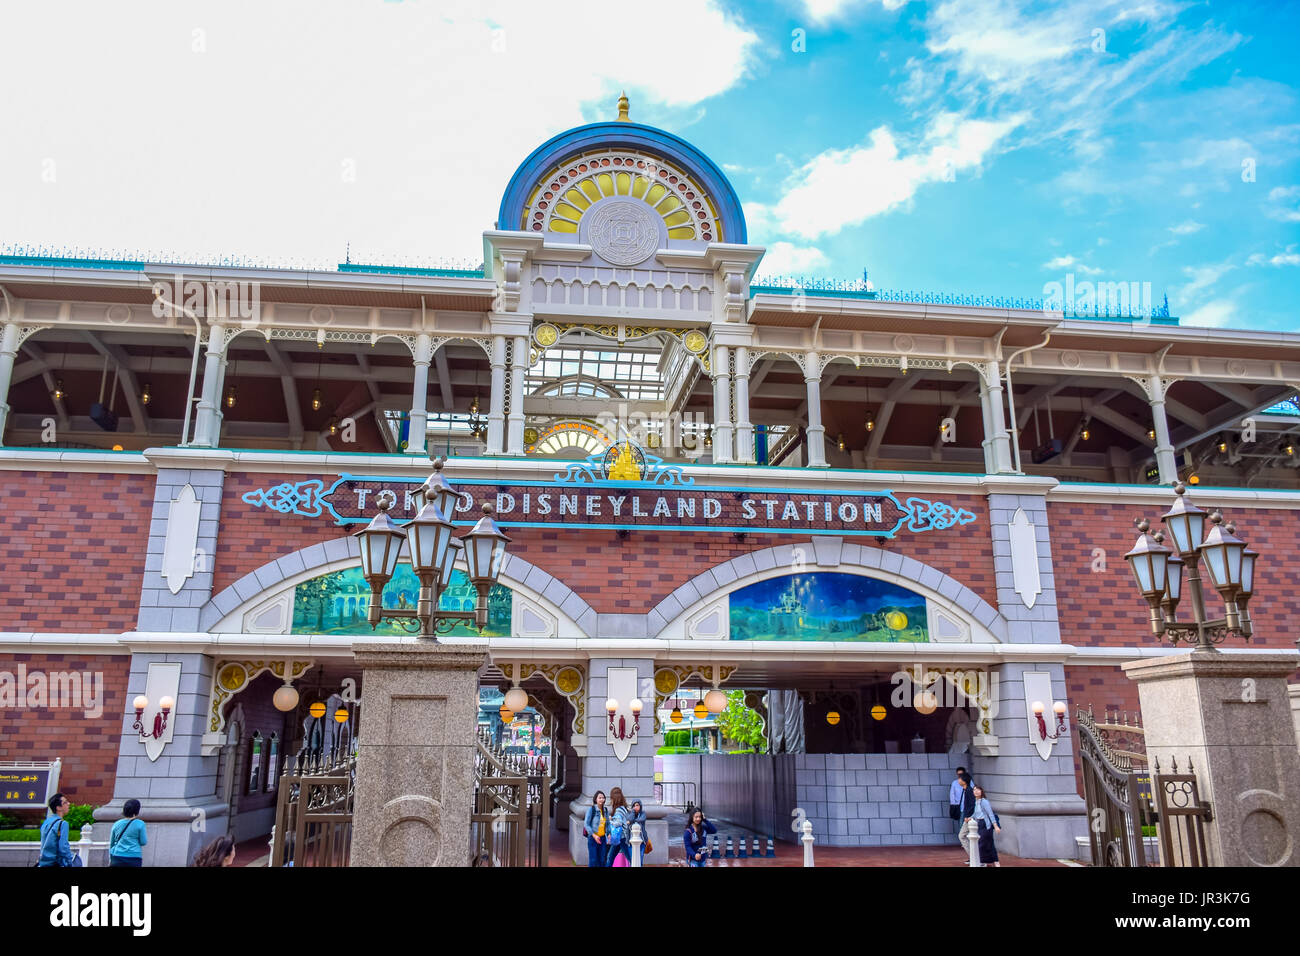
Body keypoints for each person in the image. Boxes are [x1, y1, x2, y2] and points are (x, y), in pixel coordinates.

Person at [37, 793, 76, 868]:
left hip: (43, 862)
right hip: (55, 863)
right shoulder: (62, 824)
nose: (69, 804)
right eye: (65, 802)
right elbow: (63, 847)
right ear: (58, 807)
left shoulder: (46, 822)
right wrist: (69, 862)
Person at [109, 799, 148, 867]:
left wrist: (110, 858)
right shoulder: (140, 824)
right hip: (134, 857)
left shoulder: (117, 824)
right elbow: (143, 842)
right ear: (137, 810)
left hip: (117, 856)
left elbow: (112, 843)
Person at [972, 784, 1001, 867]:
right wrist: (970, 818)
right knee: (990, 844)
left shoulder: (984, 801)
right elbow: (976, 814)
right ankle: (996, 861)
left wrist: (995, 826)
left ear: (981, 791)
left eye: (978, 790)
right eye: (974, 790)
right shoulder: (976, 802)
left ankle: (983, 861)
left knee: (982, 843)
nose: (976, 791)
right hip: (980, 824)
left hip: (986, 824)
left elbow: (990, 814)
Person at [582, 790, 610, 867]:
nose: (601, 799)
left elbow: (607, 824)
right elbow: (586, 824)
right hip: (593, 838)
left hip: (602, 838)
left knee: (602, 860)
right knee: (593, 860)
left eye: (603, 798)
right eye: (599, 798)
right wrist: (594, 835)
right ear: (595, 799)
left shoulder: (605, 810)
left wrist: (609, 834)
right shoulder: (591, 810)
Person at [617, 798, 649, 864]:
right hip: (630, 841)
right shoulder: (629, 814)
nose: (635, 807)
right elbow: (629, 818)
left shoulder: (643, 813)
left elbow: (641, 819)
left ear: (640, 806)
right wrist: (633, 812)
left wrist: (632, 821)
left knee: (640, 859)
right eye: (634, 806)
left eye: (637, 805)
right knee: (633, 860)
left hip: (642, 841)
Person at [606, 787, 630, 866]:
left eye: (611, 798)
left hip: (621, 837)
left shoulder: (618, 810)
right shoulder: (623, 808)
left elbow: (618, 823)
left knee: (630, 858)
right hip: (621, 837)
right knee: (610, 857)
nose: (610, 800)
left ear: (614, 799)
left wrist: (610, 820)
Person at [956, 771, 976, 857]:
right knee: (966, 836)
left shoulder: (969, 791)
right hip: (967, 817)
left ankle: (974, 856)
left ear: (964, 781)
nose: (958, 780)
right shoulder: (966, 790)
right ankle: (973, 856)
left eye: (959, 778)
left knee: (962, 836)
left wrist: (968, 816)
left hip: (969, 818)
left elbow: (971, 805)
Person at [948, 766, 968, 845]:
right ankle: (964, 841)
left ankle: (965, 841)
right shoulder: (954, 783)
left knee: (964, 824)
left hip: (967, 806)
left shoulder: (970, 782)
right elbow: (952, 794)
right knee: (961, 823)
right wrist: (954, 805)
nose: (960, 776)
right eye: (958, 775)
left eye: (961, 774)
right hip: (958, 807)